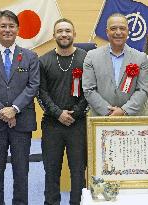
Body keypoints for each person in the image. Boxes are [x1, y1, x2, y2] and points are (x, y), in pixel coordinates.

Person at [0, 10, 39, 205]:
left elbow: (33, 85)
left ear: (18, 29)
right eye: (3, 26)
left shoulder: (30, 56)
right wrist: (2, 111)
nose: (7, 30)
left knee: (21, 172)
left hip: (22, 123)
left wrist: (14, 109)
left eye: (11, 26)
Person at [37, 18, 88, 205]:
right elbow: (41, 93)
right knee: (51, 171)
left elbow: (89, 91)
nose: (64, 34)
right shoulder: (43, 61)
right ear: (54, 36)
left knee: (77, 171)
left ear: (74, 34)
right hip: (52, 124)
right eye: (60, 31)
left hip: (78, 123)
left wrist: (74, 113)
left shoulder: (85, 58)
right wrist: (58, 113)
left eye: (68, 30)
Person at [82, 13, 148, 116]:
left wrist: (123, 111)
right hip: (100, 119)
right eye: (113, 28)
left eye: (122, 28)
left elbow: (142, 90)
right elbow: (89, 89)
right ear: (107, 32)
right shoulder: (91, 56)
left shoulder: (140, 58)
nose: (118, 32)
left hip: (130, 119)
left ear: (127, 31)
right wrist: (108, 112)